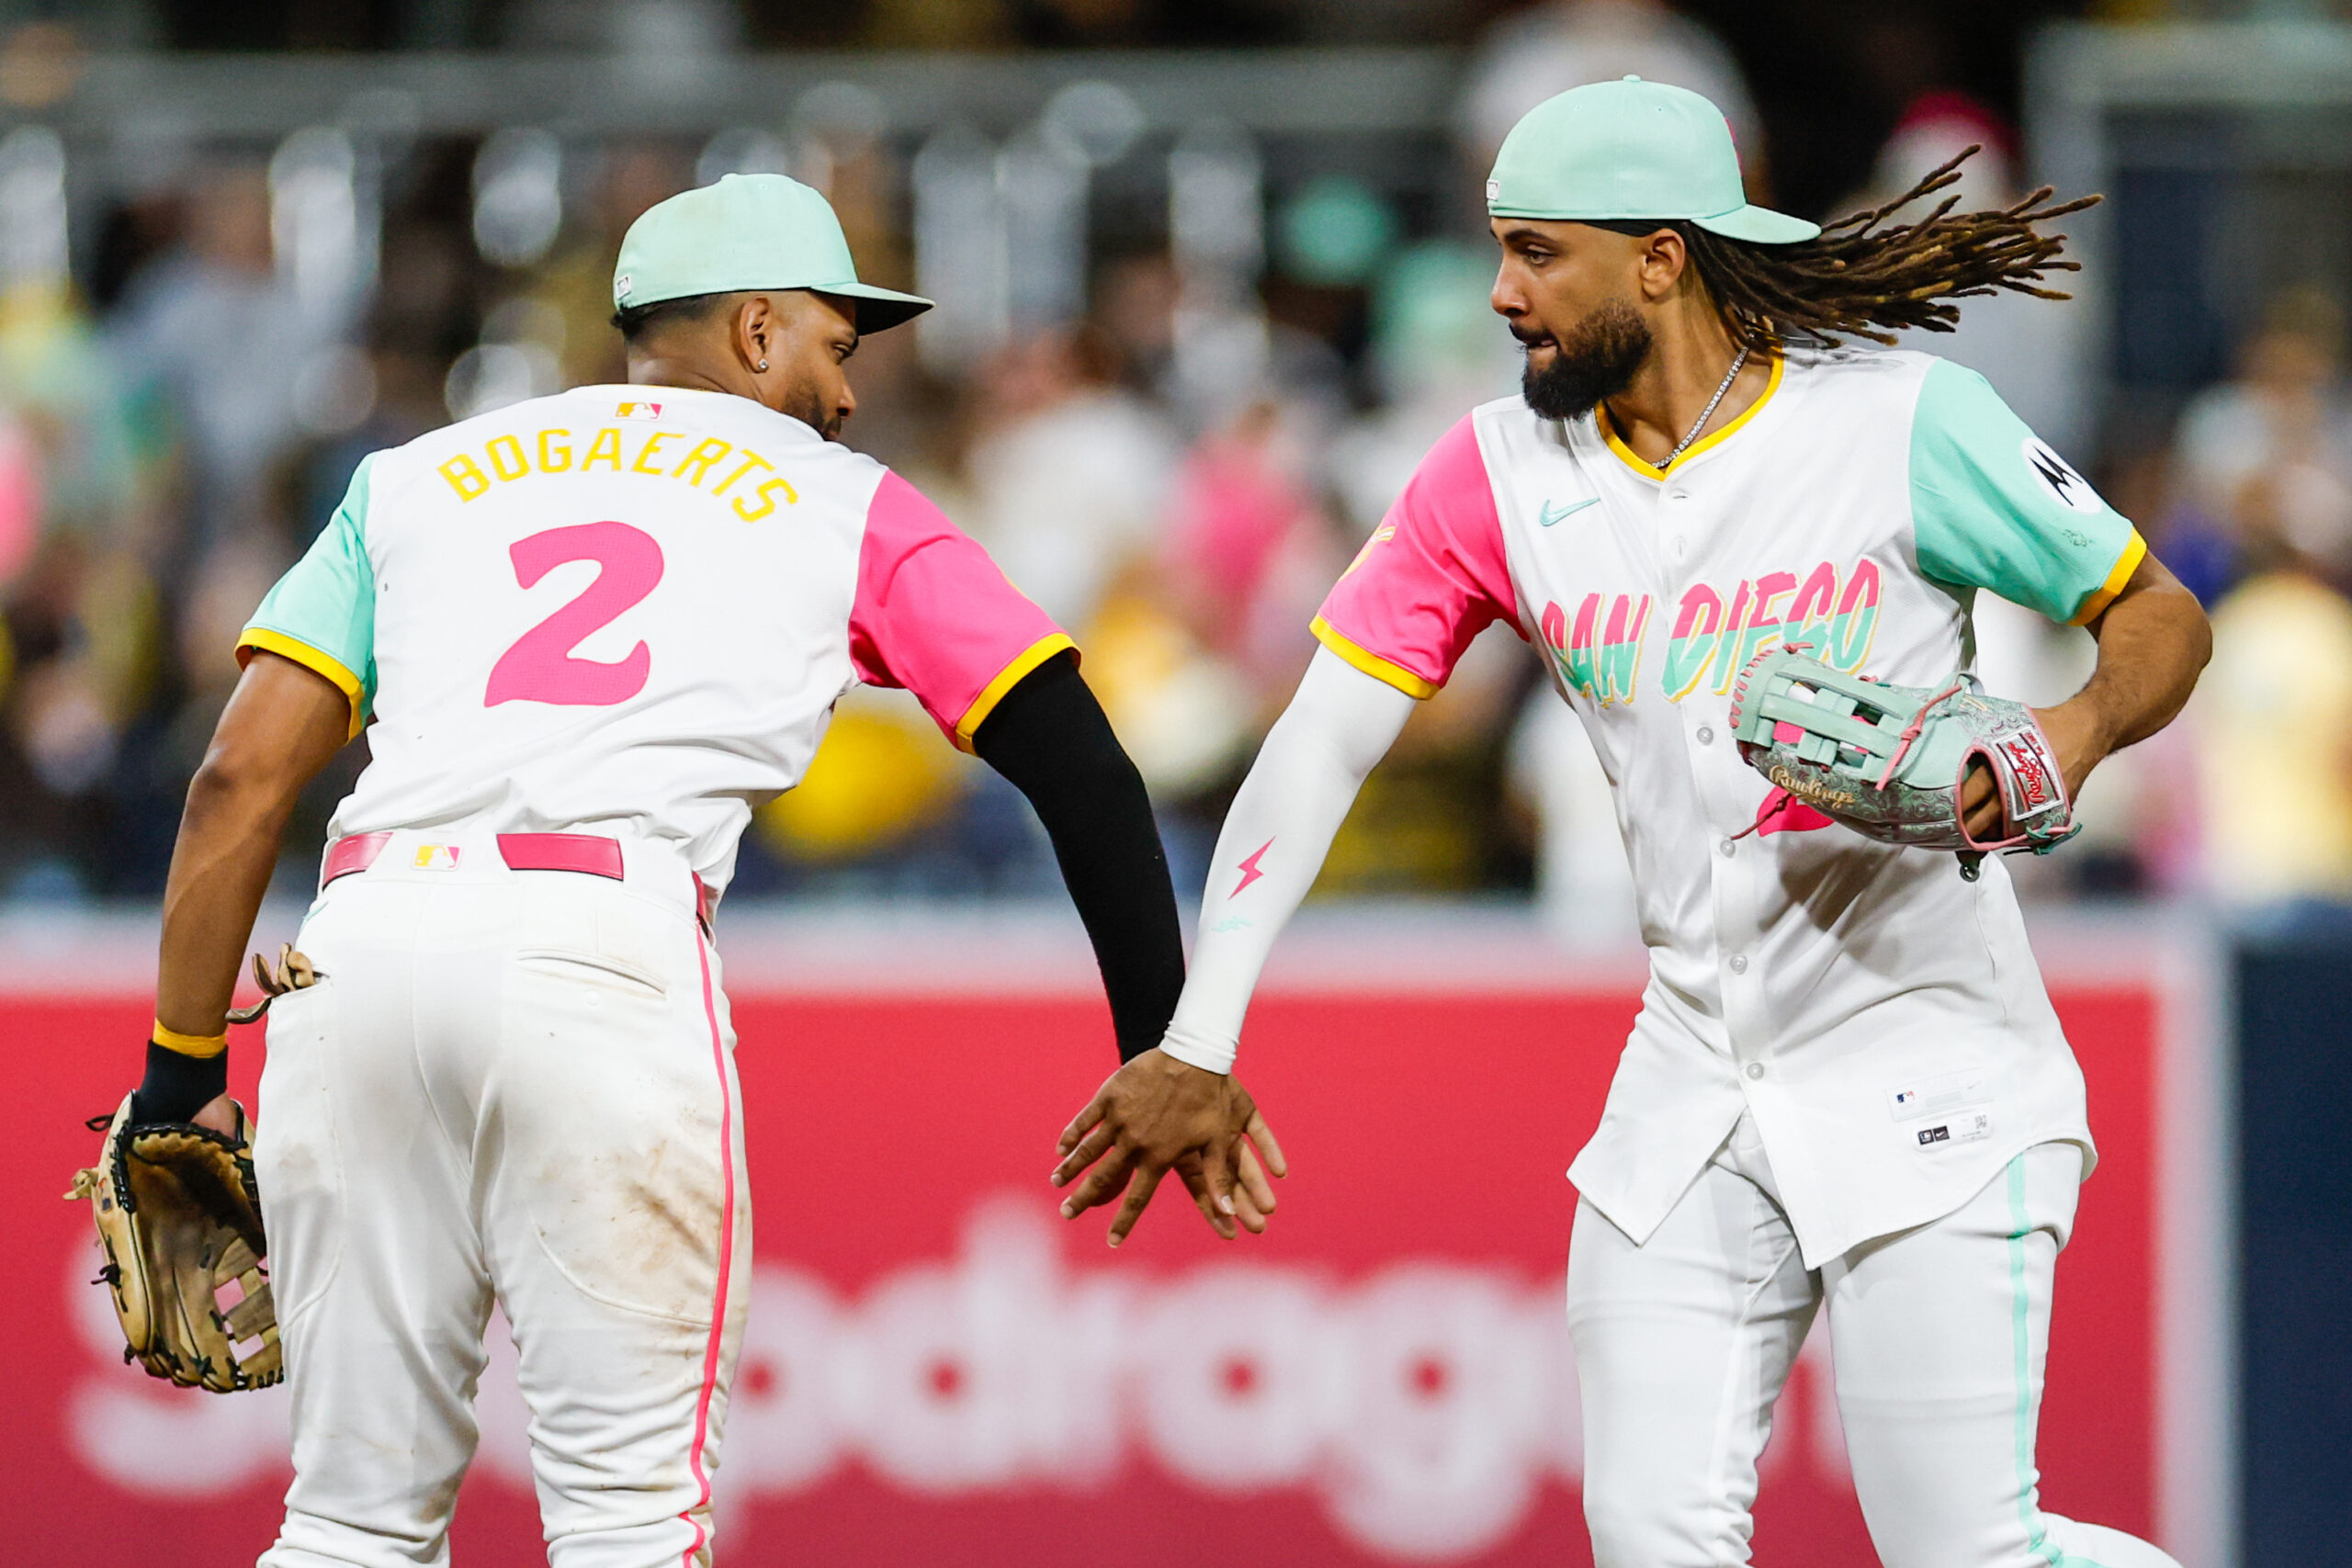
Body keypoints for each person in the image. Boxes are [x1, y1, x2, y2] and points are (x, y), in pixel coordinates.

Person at [1055, 81, 2211, 1568]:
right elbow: (1319, 745)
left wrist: (2071, 732)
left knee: (1967, 1555)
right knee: (1652, 1542)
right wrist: (1198, 1039)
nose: (1500, 291)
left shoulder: (1898, 423)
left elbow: (2154, 612)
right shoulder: (1493, 474)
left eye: (1538, 252)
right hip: (1692, 1087)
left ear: (1660, 260)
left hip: (1931, 1070)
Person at [120, 173, 1276, 1567]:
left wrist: (182, 1076)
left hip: (358, 946)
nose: (847, 393)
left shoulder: (411, 480)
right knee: (626, 1522)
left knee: (349, 1522)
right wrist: (1164, 1037)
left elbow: (237, 776)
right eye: (834, 347)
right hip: (603, 953)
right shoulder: (842, 500)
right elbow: (1084, 765)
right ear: (753, 330)